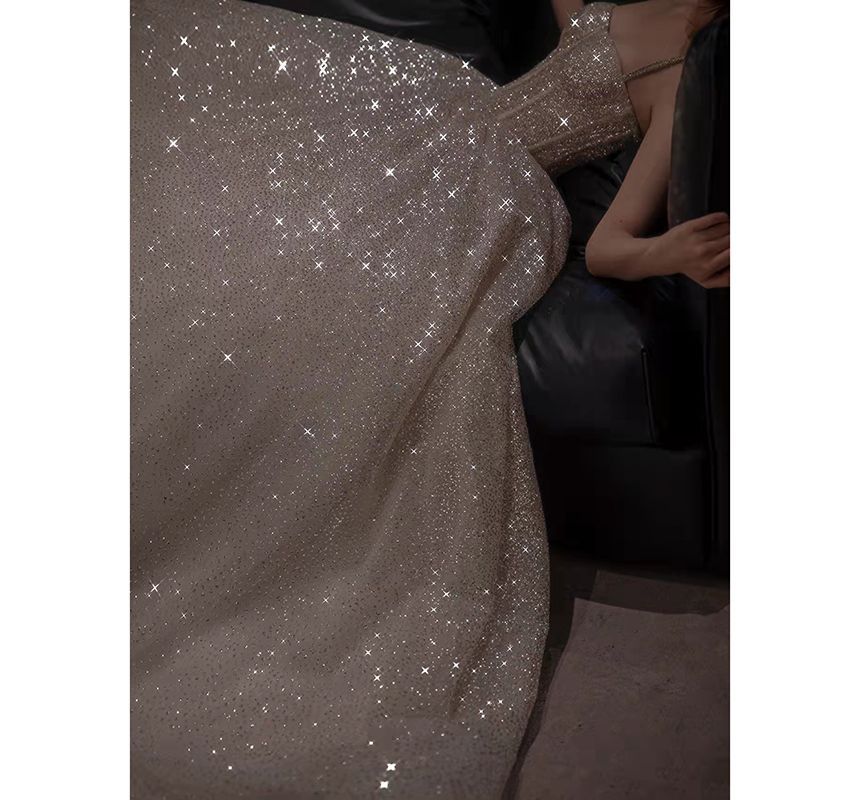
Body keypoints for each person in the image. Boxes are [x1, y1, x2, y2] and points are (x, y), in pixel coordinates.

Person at [130, 1, 728, 797]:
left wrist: (669, 251)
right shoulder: (621, 5)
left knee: (333, 270)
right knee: (255, 177)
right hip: (445, 117)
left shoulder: (686, 81)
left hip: (496, 186)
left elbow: (612, 249)